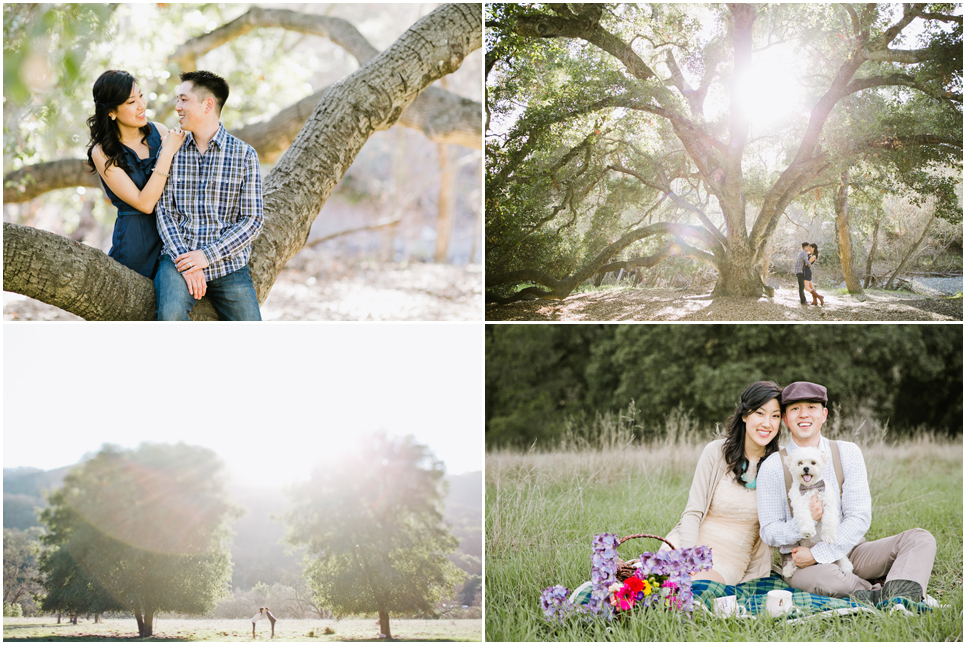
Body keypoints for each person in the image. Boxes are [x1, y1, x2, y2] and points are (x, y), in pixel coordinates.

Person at [757, 381, 936, 603]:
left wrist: (820, 553)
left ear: (823, 414)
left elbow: (859, 516)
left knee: (920, 539)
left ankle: (886, 593)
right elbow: (769, 531)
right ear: (785, 419)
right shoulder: (773, 465)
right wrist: (805, 530)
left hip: (851, 550)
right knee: (829, 579)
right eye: (795, 409)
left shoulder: (848, 452)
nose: (803, 414)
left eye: (811, 407)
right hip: (801, 559)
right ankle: (891, 592)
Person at [154, 70, 263, 320]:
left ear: (207, 105)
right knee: (169, 318)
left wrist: (205, 256)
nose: (177, 107)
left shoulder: (244, 155)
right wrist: (186, 261)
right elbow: (164, 211)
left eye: (184, 100)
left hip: (228, 265)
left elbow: (253, 221)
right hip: (178, 260)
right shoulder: (170, 149)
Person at [661, 381, 783, 585]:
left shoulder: (780, 465)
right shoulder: (716, 453)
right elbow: (693, 512)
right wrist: (689, 557)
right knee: (654, 580)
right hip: (690, 542)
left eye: (776, 416)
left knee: (696, 588)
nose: (767, 423)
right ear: (744, 415)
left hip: (730, 558)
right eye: (760, 413)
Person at [86, 70, 186, 279]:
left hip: (173, 239)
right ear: (111, 111)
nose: (141, 105)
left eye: (141, 96)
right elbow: (145, 203)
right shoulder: (103, 152)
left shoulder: (159, 132)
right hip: (136, 245)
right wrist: (166, 153)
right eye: (131, 102)